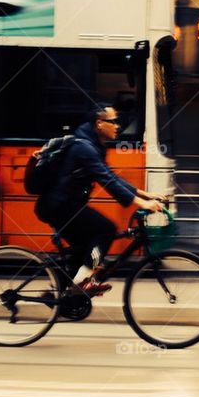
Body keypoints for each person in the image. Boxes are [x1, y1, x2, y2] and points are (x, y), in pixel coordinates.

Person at [35, 104, 165, 297]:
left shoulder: (91, 145)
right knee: (107, 230)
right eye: (113, 122)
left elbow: (110, 175)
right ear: (99, 124)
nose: (117, 126)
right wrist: (142, 203)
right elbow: (108, 180)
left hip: (64, 205)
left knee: (85, 248)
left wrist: (144, 194)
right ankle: (81, 283)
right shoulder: (84, 147)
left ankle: (60, 292)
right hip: (60, 206)